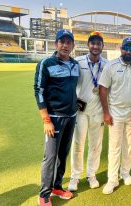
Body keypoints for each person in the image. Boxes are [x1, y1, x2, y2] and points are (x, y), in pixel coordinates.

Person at [34, 29, 79, 206]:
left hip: (72, 116)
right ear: (56, 44)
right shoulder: (46, 63)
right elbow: (39, 91)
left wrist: (77, 102)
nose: (65, 45)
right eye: (62, 41)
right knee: (50, 157)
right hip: (54, 117)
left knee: (63, 154)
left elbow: (70, 89)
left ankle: (57, 187)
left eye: (69, 42)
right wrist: (46, 119)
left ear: (73, 45)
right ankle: (44, 194)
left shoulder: (75, 64)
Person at [98, 37, 131, 194]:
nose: (128, 51)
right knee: (115, 146)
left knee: (129, 145)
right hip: (115, 111)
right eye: (126, 48)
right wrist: (106, 112)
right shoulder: (111, 65)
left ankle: (125, 172)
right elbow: (103, 88)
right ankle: (112, 179)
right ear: (120, 48)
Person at [68, 31, 108, 191]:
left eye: (98, 43)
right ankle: (75, 177)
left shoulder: (107, 64)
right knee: (78, 144)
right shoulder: (77, 62)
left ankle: (91, 174)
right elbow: (70, 85)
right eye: (93, 43)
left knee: (95, 145)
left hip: (98, 112)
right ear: (88, 45)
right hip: (81, 111)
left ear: (102, 46)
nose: (95, 46)